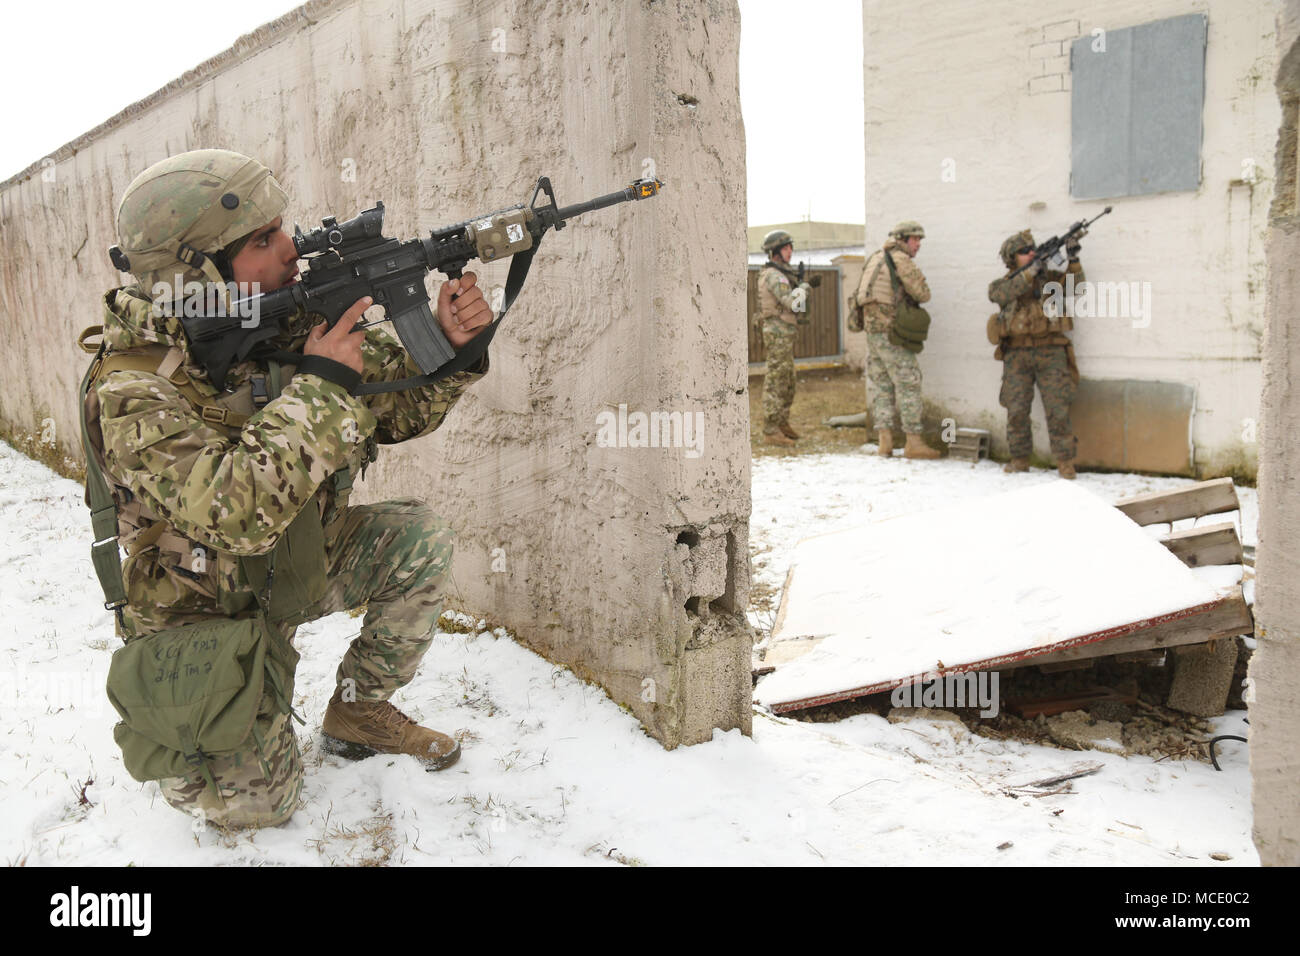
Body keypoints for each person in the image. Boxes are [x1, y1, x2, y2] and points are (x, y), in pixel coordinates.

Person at [81, 149, 493, 828]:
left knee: (416, 541)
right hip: (207, 612)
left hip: (296, 563)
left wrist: (449, 346)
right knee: (262, 809)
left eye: (283, 228)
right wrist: (322, 386)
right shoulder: (130, 389)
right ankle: (209, 725)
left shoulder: (277, 324)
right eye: (264, 240)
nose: (290, 250)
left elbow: (397, 408)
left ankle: (358, 714)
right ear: (197, 271)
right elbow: (233, 515)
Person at [987, 229, 1085, 479]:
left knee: (1058, 408)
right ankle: (1019, 459)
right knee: (1016, 408)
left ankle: (1065, 461)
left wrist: (1073, 258)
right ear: (1012, 258)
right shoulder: (1003, 284)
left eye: (1033, 249)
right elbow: (999, 296)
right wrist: (1029, 272)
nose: (1031, 253)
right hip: (1017, 354)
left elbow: (1076, 288)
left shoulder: (1050, 280)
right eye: (1024, 251)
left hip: (1050, 350)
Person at [852, 221, 939, 459]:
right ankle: (913, 442)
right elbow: (923, 293)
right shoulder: (900, 260)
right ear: (902, 239)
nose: (918, 244)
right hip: (891, 331)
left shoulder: (875, 258)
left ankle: (885, 442)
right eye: (915, 239)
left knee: (882, 386)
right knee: (909, 382)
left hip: (873, 333)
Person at [756, 229, 810, 447]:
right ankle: (771, 429)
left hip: (784, 333)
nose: (790, 252)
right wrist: (804, 288)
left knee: (788, 380)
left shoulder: (781, 273)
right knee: (776, 380)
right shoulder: (774, 275)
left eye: (790, 248)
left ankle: (781, 422)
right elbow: (792, 303)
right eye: (786, 248)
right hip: (777, 333)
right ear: (776, 251)